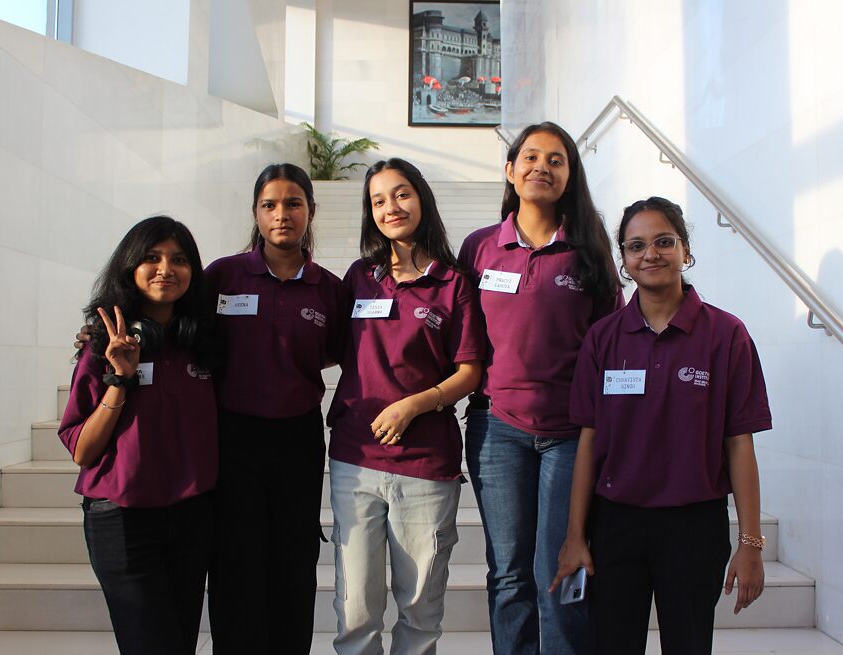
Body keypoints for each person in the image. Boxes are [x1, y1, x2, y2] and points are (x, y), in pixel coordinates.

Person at [550, 197, 772, 655]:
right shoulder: (603, 338)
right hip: (615, 522)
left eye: (664, 241)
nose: (651, 253)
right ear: (624, 262)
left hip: (694, 526)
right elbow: (589, 441)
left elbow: (740, 444)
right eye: (636, 246)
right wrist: (575, 535)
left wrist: (750, 543)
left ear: (685, 250)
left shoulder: (726, 335)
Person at [456, 121, 624, 655]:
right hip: (496, 429)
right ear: (510, 170)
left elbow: (609, 346)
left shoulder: (589, 250)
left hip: (570, 435)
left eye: (556, 160)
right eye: (530, 157)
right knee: (508, 573)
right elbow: (462, 336)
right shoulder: (480, 247)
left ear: (570, 175)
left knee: (561, 567)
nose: (541, 168)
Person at [326, 158, 485, 654]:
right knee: (355, 611)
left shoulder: (453, 282)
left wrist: (413, 406)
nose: (390, 207)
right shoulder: (359, 278)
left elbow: (470, 372)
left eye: (401, 194)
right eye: (377, 200)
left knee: (419, 613)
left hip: (424, 466)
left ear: (422, 198)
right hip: (355, 460)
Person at [59, 215, 220, 655]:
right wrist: (118, 379)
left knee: (180, 643)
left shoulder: (203, 342)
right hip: (122, 520)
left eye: (179, 259)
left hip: (191, 518)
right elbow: (83, 451)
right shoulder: (102, 344)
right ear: (130, 266)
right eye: (152, 257)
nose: (166, 268)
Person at [206, 163, 350, 655]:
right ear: (255, 213)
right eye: (269, 205)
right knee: (234, 564)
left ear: (311, 211)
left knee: (293, 561)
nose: (281, 214)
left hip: (297, 440)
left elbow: (340, 350)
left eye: (293, 204)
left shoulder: (329, 289)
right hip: (232, 440)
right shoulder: (223, 276)